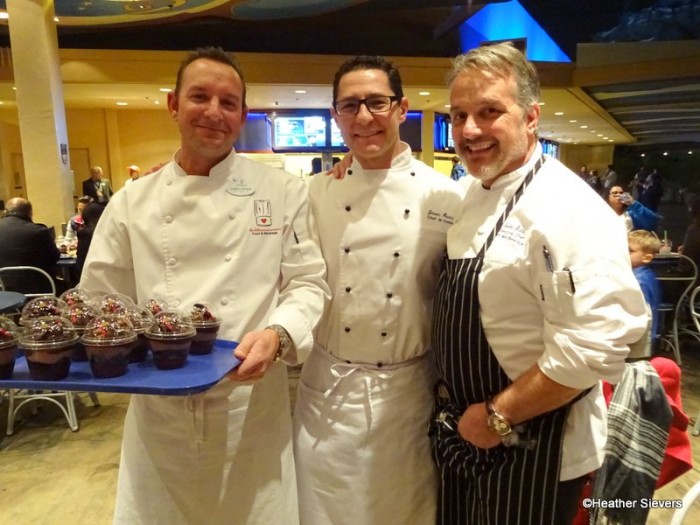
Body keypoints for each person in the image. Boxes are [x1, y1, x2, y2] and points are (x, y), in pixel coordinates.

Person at [79, 47, 329, 525]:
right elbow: (100, 300)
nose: (214, 112)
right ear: (173, 104)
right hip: (160, 411)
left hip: (250, 406)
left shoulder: (281, 191)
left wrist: (277, 335)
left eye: (228, 102)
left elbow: (308, 283)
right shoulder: (133, 200)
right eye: (200, 97)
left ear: (243, 115)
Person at [428, 42, 647, 524]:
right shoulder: (472, 192)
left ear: (531, 118)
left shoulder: (568, 208)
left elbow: (594, 345)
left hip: (536, 447)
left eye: (489, 112)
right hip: (470, 436)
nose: (469, 130)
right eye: (459, 113)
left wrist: (497, 415)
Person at [293, 55, 464, 525]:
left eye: (376, 103)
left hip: (407, 394)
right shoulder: (312, 193)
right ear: (335, 115)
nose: (363, 118)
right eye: (349, 106)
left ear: (401, 108)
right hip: (328, 390)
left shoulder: (445, 196)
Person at [0, 197, 60, 294]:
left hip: (5, 290)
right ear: (30, 212)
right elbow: (54, 257)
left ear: (5, 212)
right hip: (39, 288)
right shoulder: (38, 231)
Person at [627, 229, 662, 359]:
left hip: (637, 341)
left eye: (630, 251)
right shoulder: (645, 275)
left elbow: (643, 314)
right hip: (643, 337)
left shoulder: (638, 280)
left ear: (646, 258)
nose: (623, 254)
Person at [75, 202, 104, 277]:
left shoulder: (84, 234)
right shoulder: (109, 231)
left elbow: (81, 262)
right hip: (110, 275)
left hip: (90, 276)